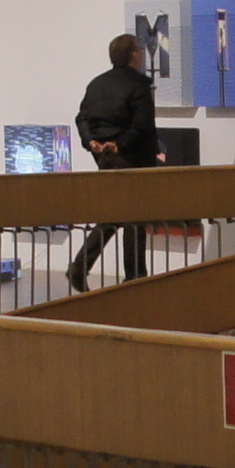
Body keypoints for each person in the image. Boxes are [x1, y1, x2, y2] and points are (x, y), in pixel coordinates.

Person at [69, 29, 159, 289]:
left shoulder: (96, 84)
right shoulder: (139, 85)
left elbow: (82, 118)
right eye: (139, 50)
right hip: (132, 159)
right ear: (133, 55)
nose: (141, 55)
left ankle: (80, 267)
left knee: (114, 215)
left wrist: (92, 142)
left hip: (104, 158)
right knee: (134, 217)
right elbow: (142, 125)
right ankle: (134, 278)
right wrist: (119, 145)